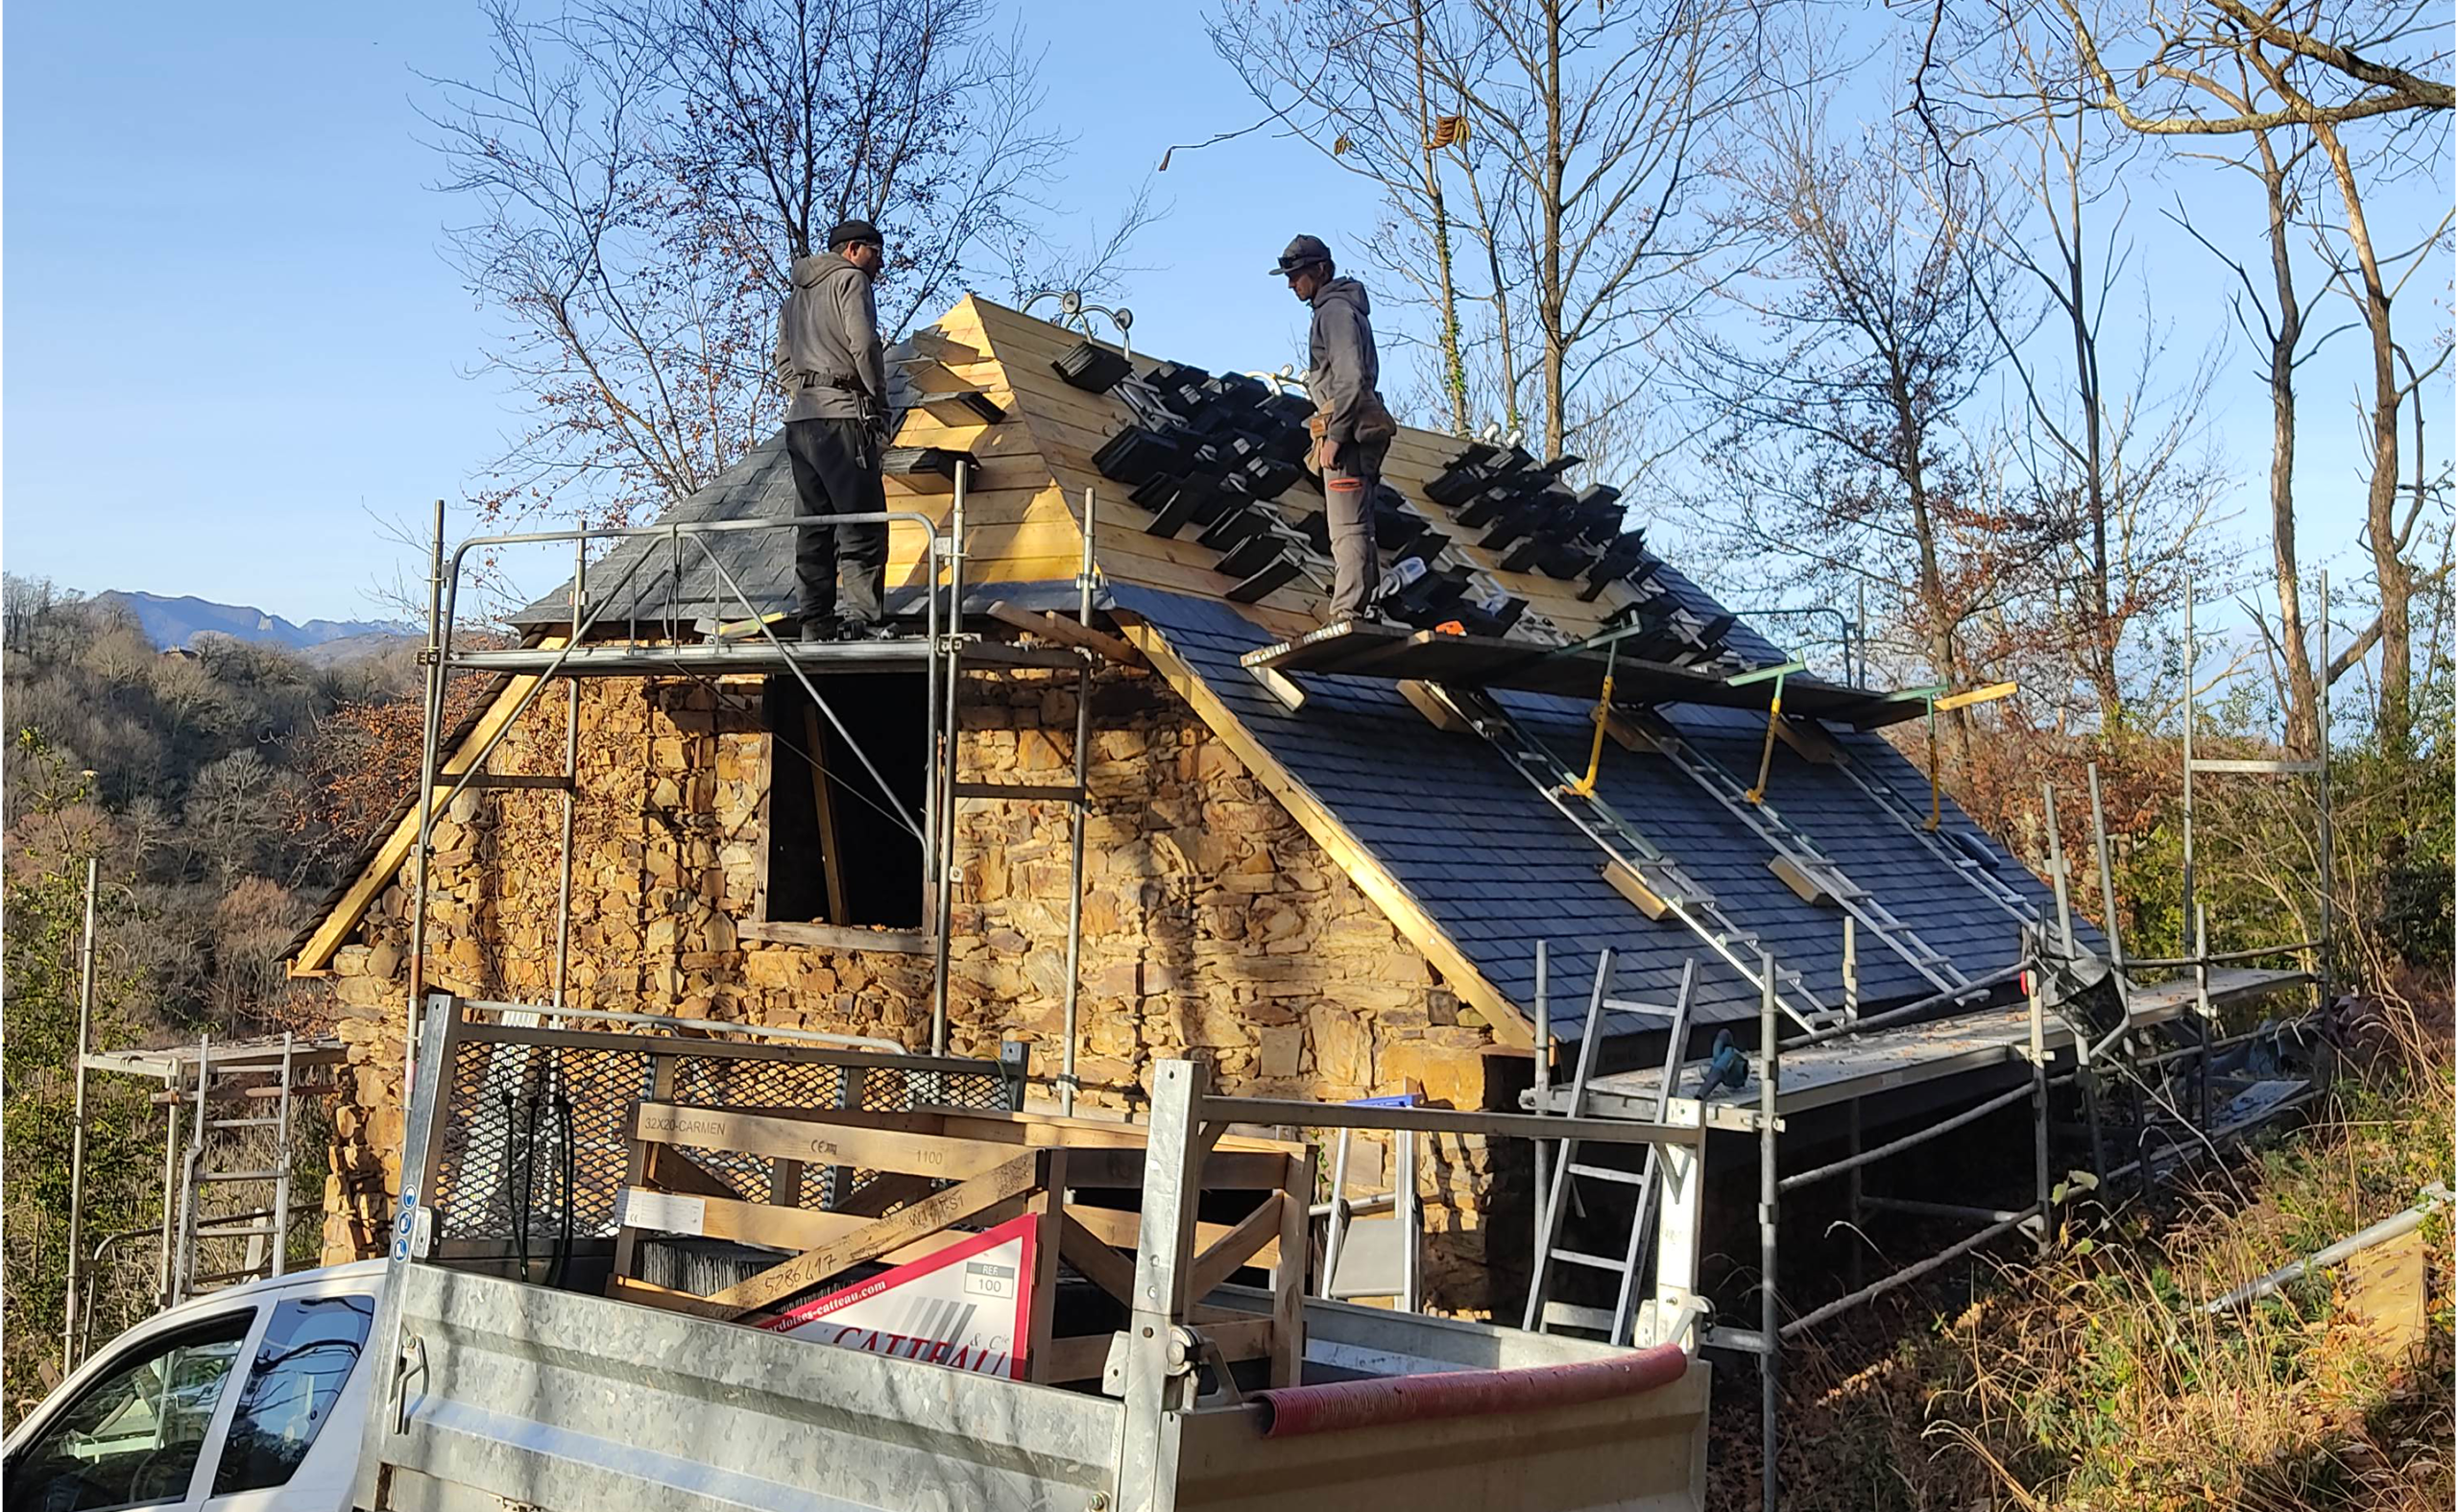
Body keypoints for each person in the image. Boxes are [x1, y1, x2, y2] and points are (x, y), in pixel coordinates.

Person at [775, 219, 893, 641]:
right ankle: (863, 620)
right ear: (853, 250)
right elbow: (864, 343)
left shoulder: (796, 296)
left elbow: (783, 360)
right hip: (842, 416)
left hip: (801, 420)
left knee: (814, 525)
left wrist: (805, 391)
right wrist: (878, 401)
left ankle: (815, 621)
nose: (880, 263)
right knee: (862, 520)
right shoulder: (852, 282)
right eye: (876, 253)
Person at [1270, 234, 1397, 624]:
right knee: (1359, 523)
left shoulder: (1335, 312)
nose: (1292, 284)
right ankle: (1366, 604)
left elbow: (1352, 378)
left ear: (1320, 271)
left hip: (1350, 430)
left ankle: (1349, 610)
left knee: (1347, 527)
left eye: (1297, 276)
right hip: (1356, 425)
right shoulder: (1339, 309)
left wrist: (1336, 437)